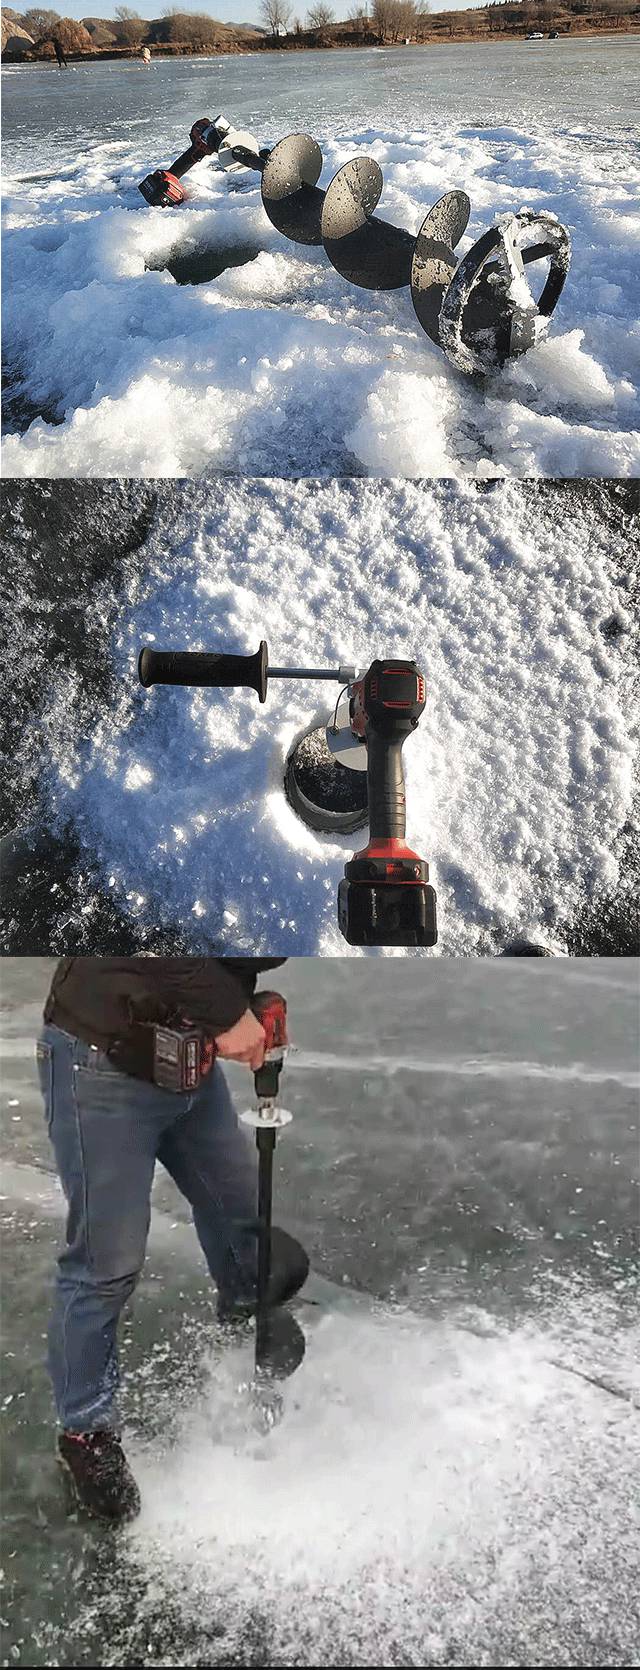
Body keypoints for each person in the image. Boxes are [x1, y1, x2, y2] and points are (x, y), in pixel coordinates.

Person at [37, 957, 308, 1524]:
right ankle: (86, 1433)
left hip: (185, 1058)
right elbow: (148, 935)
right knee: (106, 1262)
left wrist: (230, 1004)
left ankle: (244, 1341)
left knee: (240, 1219)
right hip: (102, 1060)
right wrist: (229, 1012)